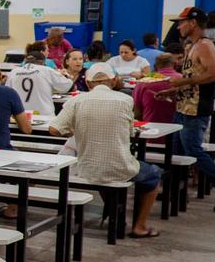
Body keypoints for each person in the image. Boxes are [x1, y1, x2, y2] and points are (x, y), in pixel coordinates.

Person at [50, 64, 162, 237]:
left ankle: (115, 216)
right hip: (120, 167)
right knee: (154, 175)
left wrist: (74, 130)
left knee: (102, 171)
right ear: (114, 80)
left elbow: (54, 129)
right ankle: (139, 226)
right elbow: (130, 132)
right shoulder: (125, 100)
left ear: (88, 83)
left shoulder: (76, 100)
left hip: (86, 168)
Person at [156, 7, 215, 211]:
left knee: (193, 150)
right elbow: (193, 79)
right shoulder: (192, 45)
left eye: (181, 22)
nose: (178, 26)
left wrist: (182, 81)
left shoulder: (205, 46)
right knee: (175, 151)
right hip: (183, 106)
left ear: (193, 23)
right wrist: (172, 91)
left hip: (196, 109)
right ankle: (175, 191)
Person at [8, 44, 73, 115]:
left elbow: (8, 93)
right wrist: (68, 77)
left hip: (20, 115)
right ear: (43, 62)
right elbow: (67, 87)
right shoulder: (47, 70)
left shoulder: (13, 72)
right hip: (44, 113)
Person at [133, 54, 181, 123]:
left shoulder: (142, 82)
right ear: (175, 65)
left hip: (152, 128)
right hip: (179, 128)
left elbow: (137, 113)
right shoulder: (183, 79)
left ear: (155, 67)